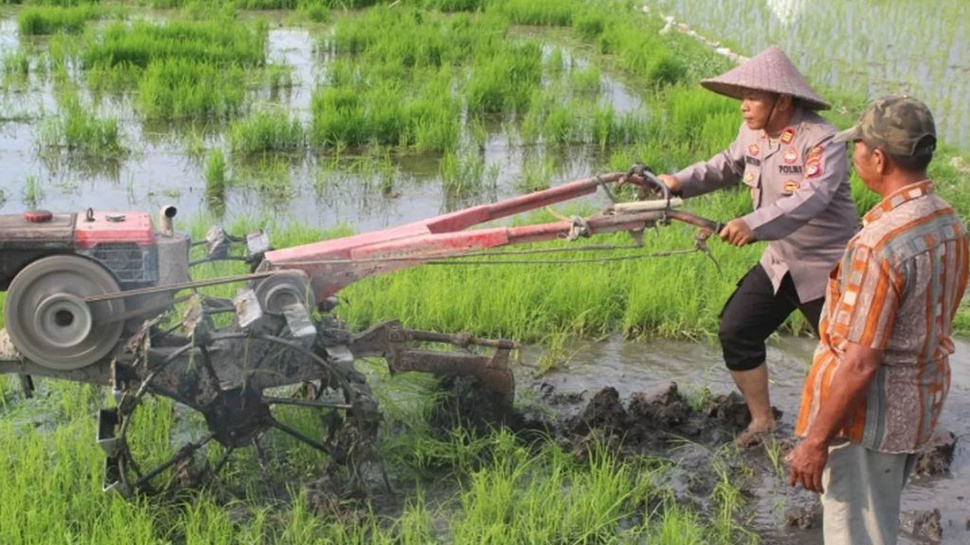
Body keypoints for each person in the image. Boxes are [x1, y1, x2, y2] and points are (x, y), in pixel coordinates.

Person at [787, 96, 969, 544]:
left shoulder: (879, 243)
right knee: (877, 520)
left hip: (868, 420)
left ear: (879, 158)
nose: (854, 157)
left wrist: (814, 441)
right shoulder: (947, 220)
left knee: (858, 533)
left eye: (858, 147)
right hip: (917, 406)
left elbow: (861, 363)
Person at [657, 46, 858, 446]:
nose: (744, 107)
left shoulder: (822, 141)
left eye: (753, 98)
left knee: (850, 357)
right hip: (780, 260)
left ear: (782, 100)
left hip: (826, 270)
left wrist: (751, 224)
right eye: (742, 97)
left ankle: (855, 435)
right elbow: (725, 165)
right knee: (738, 329)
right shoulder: (752, 132)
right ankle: (762, 420)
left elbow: (809, 199)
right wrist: (676, 182)